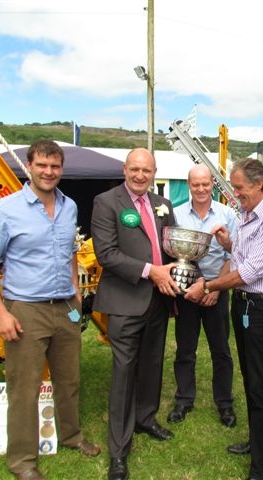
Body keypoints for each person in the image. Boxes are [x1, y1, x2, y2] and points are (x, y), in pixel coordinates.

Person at [0, 140, 101, 480]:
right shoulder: (4, 210)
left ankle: (72, 436)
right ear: (28, 166)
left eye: (55, 166)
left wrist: (75, 294)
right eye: (42, 165)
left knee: (69, 379)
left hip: (65, 308)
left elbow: (72, 251)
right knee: (24, 387)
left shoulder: (69, 207)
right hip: (25, 309)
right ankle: (23, 461)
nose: (48, 172)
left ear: (61, 169)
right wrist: (0, 312)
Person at [184, 158, 263, 480]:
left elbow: (248, 271)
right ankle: (257, 443)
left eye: (239, 187)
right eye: (233, 187)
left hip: (262, 311)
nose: (235, 193)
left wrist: (208, 285)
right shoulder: (246, 214)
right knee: (250, 380)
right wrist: (228, 243)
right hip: (244, 308)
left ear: (259, 185)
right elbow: (242, 255)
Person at [91, 147, 180, 480]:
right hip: (126, 301)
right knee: (124, 372)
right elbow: (106, 254)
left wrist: (180, 269)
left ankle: (145, 419)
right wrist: (150, 271)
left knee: (152, 364)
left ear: (154, 171)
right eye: (135, 169)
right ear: (125, 169)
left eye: (147, 170)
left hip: (158, 300)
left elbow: (171, 247)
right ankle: (119, 450)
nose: (141, 175)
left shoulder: (164, 204)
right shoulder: (107, 202)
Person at [167, 164, 239, 428]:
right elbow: (174, 254)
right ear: (189, 185)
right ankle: (184, 400)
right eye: (195, 184)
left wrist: (216, 287)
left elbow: (235, 255)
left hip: (217, 290)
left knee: (221, 351)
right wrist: (193, 285)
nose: (200, 189)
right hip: (188, 291)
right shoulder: (175, 215)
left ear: (212, 185)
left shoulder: (227, 215)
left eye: (205, 184)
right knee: (185, 349)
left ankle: (225, 403)